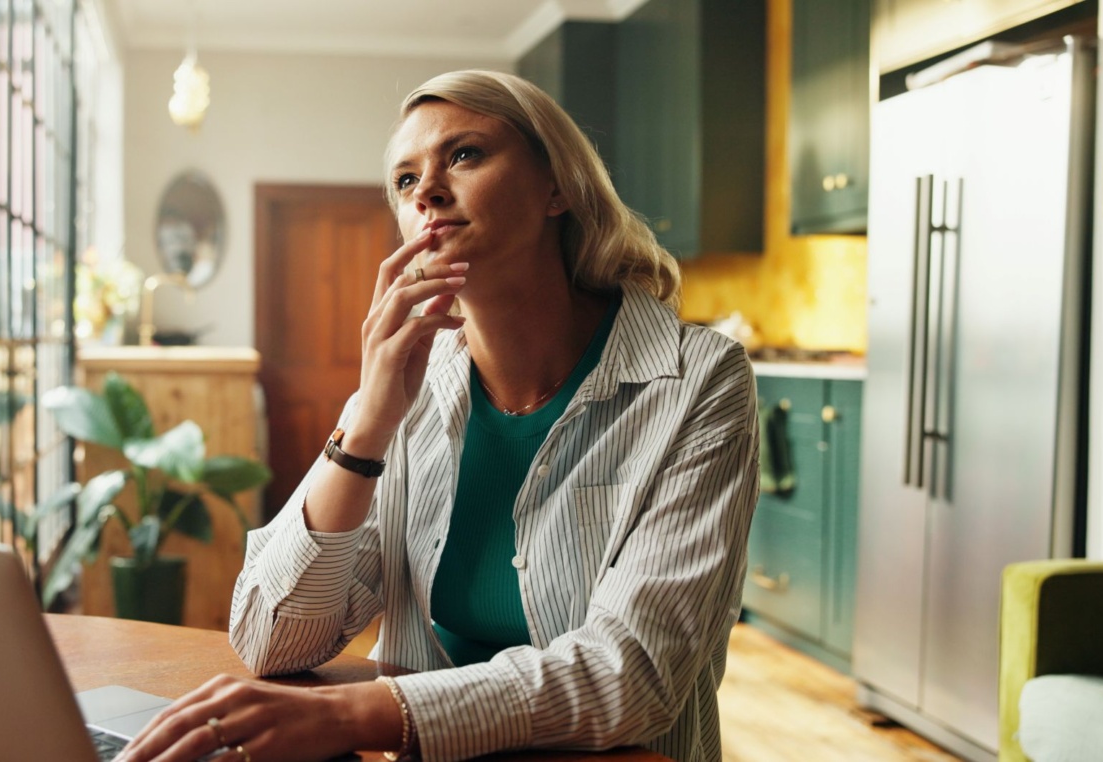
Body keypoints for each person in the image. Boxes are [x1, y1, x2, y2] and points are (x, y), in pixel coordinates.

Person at [114, 69, 758, 762]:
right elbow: (271, 639)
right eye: (403, 179)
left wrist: (351, 715)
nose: (426, 191)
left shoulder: (700, 381)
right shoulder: (408, 389)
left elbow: (632, 676)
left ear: (558, 188)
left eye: (464, 155)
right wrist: (365, 425)